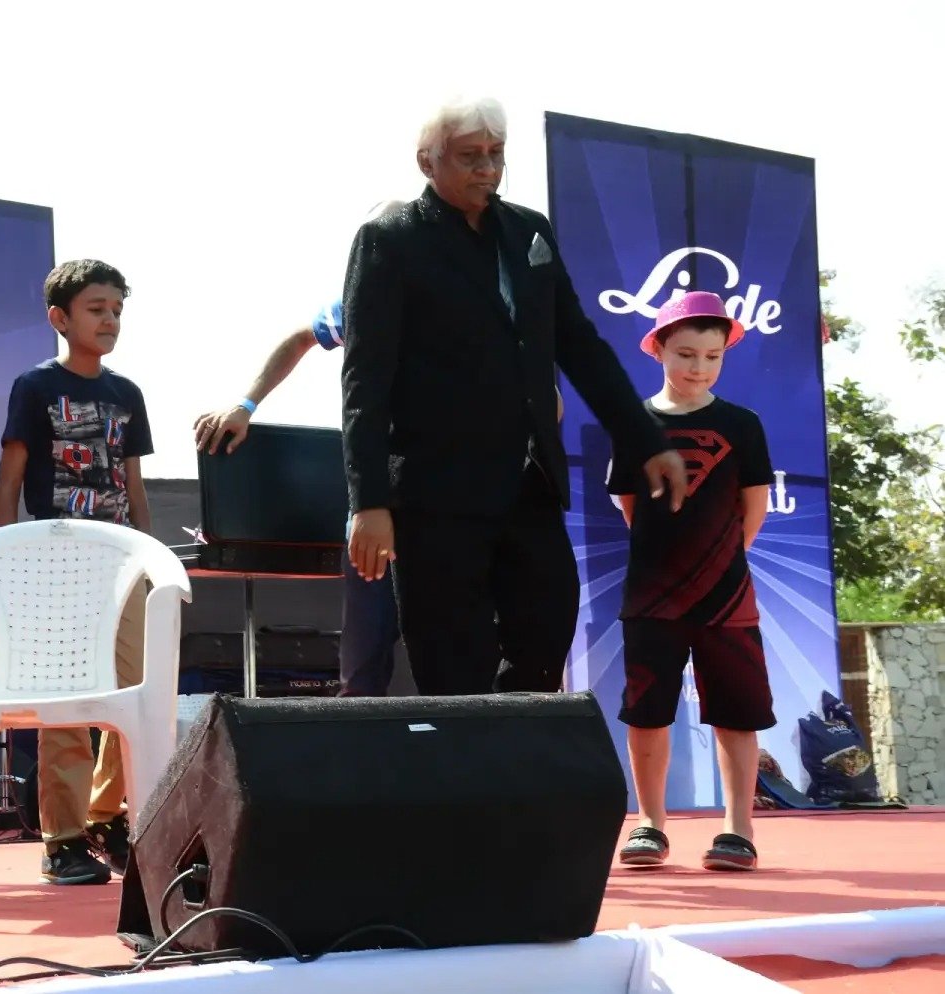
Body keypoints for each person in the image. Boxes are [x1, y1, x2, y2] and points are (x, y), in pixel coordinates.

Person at [340, 95, 687, 697]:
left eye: (496, 155)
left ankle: (515, 774)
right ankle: (465, 785)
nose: (488, 170)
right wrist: (368, 501)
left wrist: (644, 438)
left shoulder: (529, 230)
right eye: (470, 156)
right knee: (452, 668)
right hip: (434, 496)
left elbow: (578, 343)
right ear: (428, 162)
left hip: (528, 483)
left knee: (545, 634)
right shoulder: (389, 239)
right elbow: (364, 381)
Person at [194, 246, 567, 697]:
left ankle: (474, 755)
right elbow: (299, 339)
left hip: (459, 512)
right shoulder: (362, 302)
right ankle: (361, 755)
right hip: (381, 509)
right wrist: (246, 404)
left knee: (469, 655)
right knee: (366, 655)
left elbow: (550, 402)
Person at [0, 259, 152, 885]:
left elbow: (133, 485)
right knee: (67, 699)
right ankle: (61, 839)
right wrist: (9, 563)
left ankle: (107, 814)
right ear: (60, 319)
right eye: (95, 308)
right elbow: (10, 480)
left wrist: (149, 556)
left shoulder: (127, 393)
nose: (109, 319)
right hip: (54, 562)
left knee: (136, 692)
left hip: (121, 563)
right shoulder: (34, 387)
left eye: (116, 308)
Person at [608, 291, 775, 872]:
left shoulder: (742, 425)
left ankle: (738, 829)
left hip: (727, 596)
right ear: (657, 350)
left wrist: (719, 560)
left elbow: (752, 508)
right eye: (685, 354)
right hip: (651, 594)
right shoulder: (635, 425)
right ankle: (649, 822)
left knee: (738, 712)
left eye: (712, 356)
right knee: (647, 712)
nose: (698, 367)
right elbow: (632, 508)